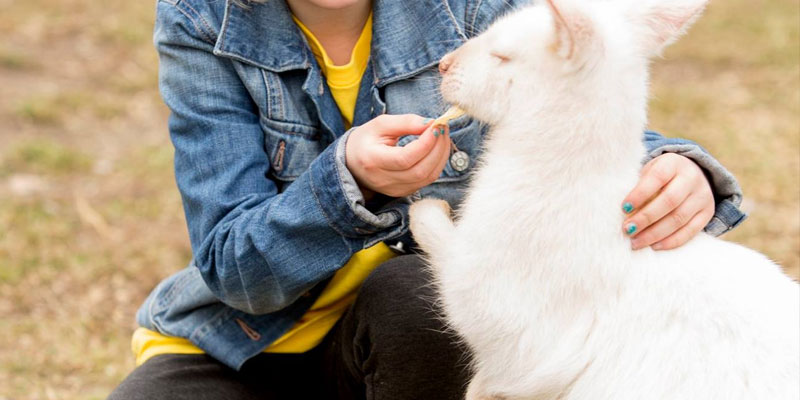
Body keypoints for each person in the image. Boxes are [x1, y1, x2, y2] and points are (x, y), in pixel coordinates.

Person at [108, 0, 746, 398]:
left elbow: (580, 93)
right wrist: (347, 182)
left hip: (412, 344)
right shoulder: (203, 17)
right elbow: (232, 269)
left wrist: (680, 167)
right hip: (246, 344)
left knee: (421, 294)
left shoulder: (470, 9)